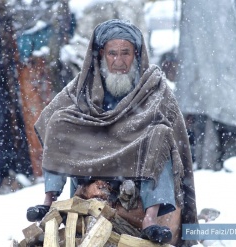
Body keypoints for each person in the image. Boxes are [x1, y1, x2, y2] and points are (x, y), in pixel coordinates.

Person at [26, 19, 197, 246]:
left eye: (125, 53)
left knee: (160, 134)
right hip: (92, 161)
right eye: (112, 54)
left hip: (135, 164)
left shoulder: (154, 84)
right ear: (101, 56)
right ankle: (49, 202)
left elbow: (176, 134)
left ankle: (150, 217)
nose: (119, 62)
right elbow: (49, 117)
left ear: (136, 54)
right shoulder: (85, 83)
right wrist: (85, 132)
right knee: (61, 122)